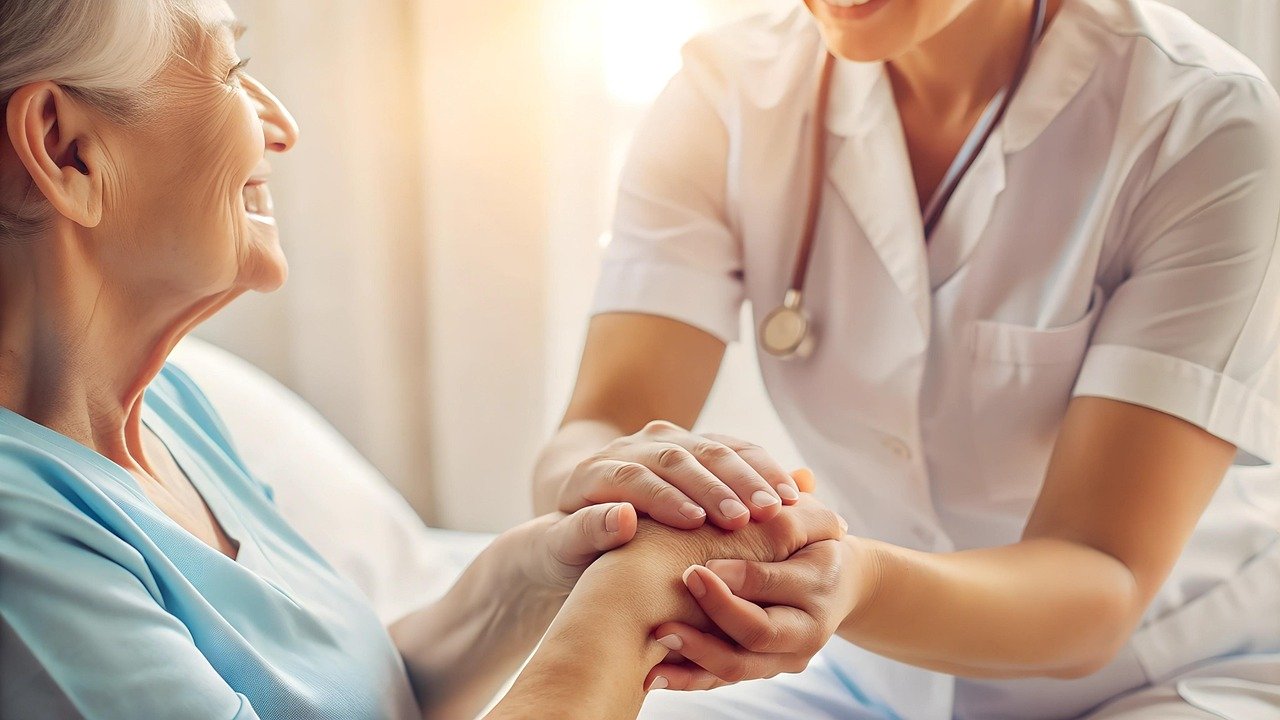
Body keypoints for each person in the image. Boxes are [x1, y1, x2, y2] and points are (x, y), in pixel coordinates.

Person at [0, 1, 851, 718]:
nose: (282, 128)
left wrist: (565, 559)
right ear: (66, 150)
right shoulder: (19, 541)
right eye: (232, 72)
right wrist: (628, 603)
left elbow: (359, 694)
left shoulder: (172, 408)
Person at [533, 0, 1280, 717]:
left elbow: (1101, 579)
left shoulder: (1201, 121)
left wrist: (858, 583)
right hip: (871, 675)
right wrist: (612, 480)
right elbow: (600, 425)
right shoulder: (726, 92)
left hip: (1170, 669)